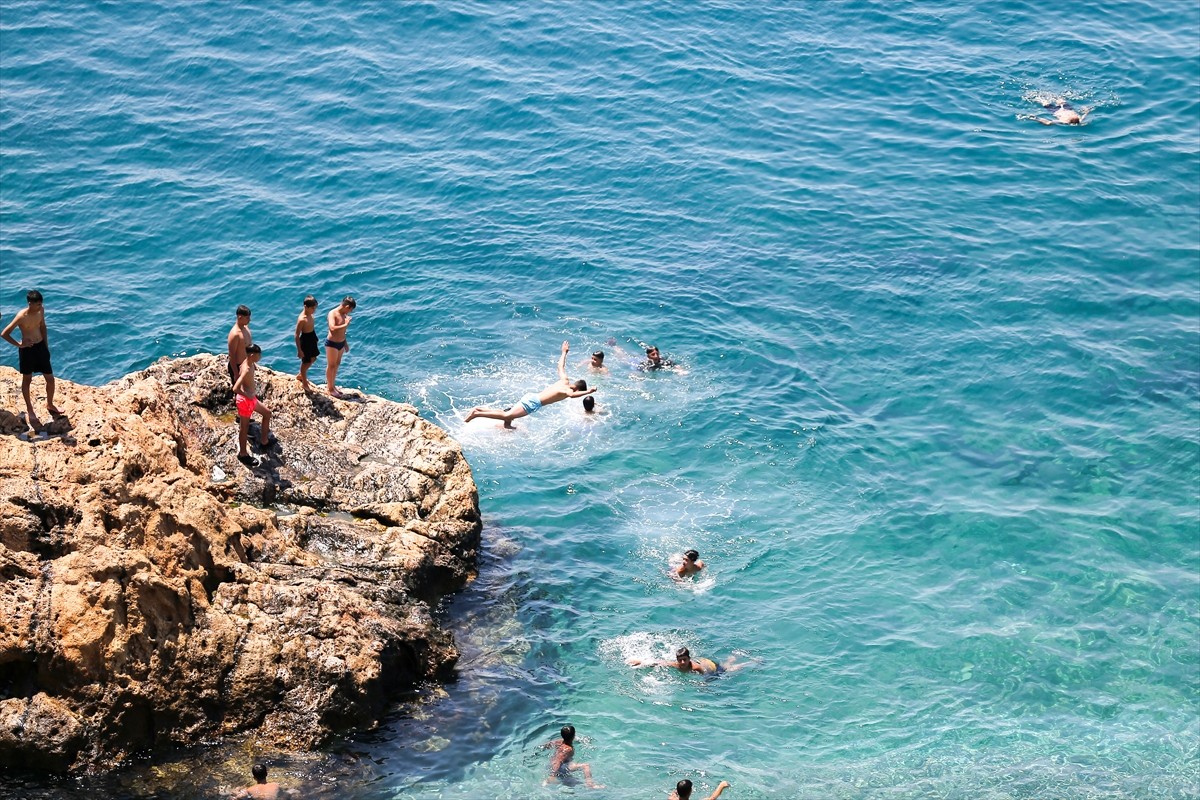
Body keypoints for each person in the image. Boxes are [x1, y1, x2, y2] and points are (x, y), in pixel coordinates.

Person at [465, 341, 596, 428]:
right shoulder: (568, 392)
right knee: (507, 415)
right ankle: (477, 414)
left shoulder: (565, 380)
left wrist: (564, 352)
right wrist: (589, 391)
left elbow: (560, 366)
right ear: (579, 388)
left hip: (531, 396)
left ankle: (480, 410)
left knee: (509, 414)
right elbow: (573, 395)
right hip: (533, 403)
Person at [1, 290, 60, 431]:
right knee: (27, 380)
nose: (40, 306)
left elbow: (43, 327)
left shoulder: (41, 310)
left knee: (50, 379)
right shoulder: (22, 316)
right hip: (27, 350)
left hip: (40, 347)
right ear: (30, 303)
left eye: (41, 304)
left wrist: (46, 346)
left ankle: (50, 404)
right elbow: (4, 333)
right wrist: (20, 345)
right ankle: (30, 410)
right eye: (38, 304)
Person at [232, 344, 273, 465]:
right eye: (258, 355)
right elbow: (235, 388)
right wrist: (247, 395)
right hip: (245, 401)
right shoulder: (246, 369)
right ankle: (243, 454)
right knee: (244, 428)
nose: (260, 357)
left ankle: (264, 441)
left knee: (267, 413)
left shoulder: (248, 362)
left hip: (251, 399)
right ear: (251, 355)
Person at [543, 724, 603, 789]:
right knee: (586, 766)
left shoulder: (559, 741)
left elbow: (548, 745)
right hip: (559, 768)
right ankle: (590, 785)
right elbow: (558, 760)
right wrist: (552, 775)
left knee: (570, 781)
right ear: (573, 736)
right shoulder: (568, 749)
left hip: (551, 764)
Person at [628, 646, 748, 676]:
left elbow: (705, 676)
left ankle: (747, 662)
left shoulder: (695, 668)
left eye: (684, 660)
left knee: (726, 669)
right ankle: (733, 657)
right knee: (726, 665)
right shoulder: (676, 665)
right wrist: (640, 662)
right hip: (703, 661)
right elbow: (658, 662)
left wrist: (704, 687)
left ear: (689, 659)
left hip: (709, 666)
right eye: (679, 660)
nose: (682, 663)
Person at [324, 296, 356, 398]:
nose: (350, 312)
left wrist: (345, 343)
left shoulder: (344, 314)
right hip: (332, 344)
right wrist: (346, 324)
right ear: (347, 306)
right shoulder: (332, 313)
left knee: (337, 364)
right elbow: (332, 328)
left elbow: (342, 331)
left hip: (341, 343)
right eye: (350, 309)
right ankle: (330, 388)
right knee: (331, 365)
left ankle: (333, 386)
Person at [294, 295, 320, 391]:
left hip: (312, 337)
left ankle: (301, 374)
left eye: (315, 308)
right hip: (305, 340)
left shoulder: (310, 315)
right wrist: (299, 350)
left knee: (313, 358)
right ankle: (304, 382)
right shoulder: (302, 319)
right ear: (306, 307)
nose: (314, 310)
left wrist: (315, 339)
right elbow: (296, 335)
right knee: (306, 362)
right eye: (313, 308)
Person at [227, 305, 253, 385]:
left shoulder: (246, 328)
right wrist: (236, 374)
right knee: (240, 393)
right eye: (247, 318)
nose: (249, 320)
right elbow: (232, 356)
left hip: (246, 365)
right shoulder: (235, 334)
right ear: (240, 317)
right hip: (238, 367)